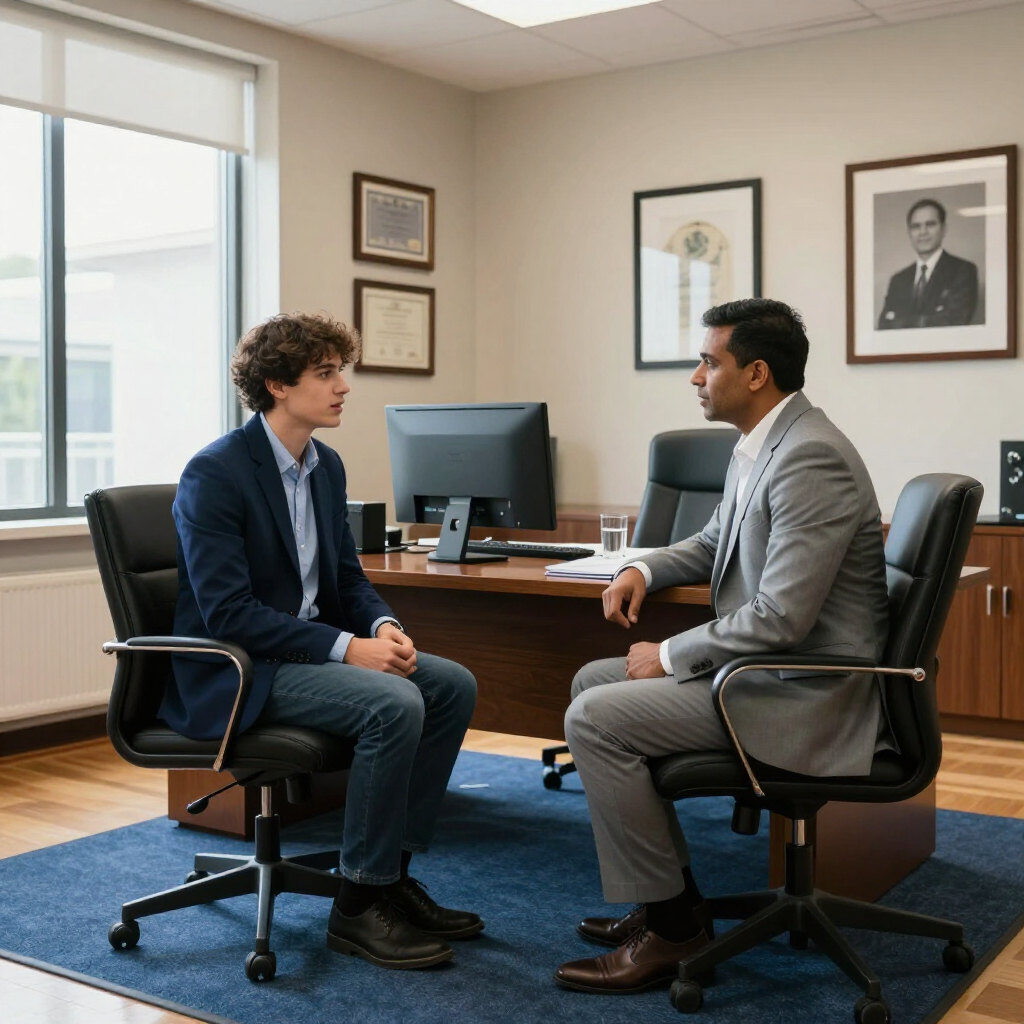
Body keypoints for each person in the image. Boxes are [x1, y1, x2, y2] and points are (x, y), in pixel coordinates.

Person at [554, 298, 889, 995]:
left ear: (757, 372)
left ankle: (675, 931)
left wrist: (669, 655)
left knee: (594, 719)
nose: (695, 376)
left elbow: (781, 618)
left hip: (806, 692)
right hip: (768, 672)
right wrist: (641, 567)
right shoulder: (762, 443)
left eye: (709, 361)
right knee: (593, 680)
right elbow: (715, 544)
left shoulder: (809, 457)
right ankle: (669, 903)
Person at [163, 312, 481, 971]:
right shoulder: (215, 474)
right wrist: (344, 648)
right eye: (327, 373)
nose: (344, 387)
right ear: (278, 384)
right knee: (392, 704)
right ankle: (358, 907)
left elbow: (344, 577)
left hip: (304, 651)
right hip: (244, 670)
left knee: (449, 685)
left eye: (343, 371)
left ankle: (390, 874)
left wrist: (382, 626)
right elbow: (228, 614)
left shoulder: (324, 466)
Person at [877, 198, 978, 329]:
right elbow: (883, 326)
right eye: (916, 226)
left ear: (943, 229)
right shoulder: (898, 280)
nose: (923, 232)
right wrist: (929, 319)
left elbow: (955, 321)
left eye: (930, 224)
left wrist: (900, 322)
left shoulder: (963, 271)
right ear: (909, 233)